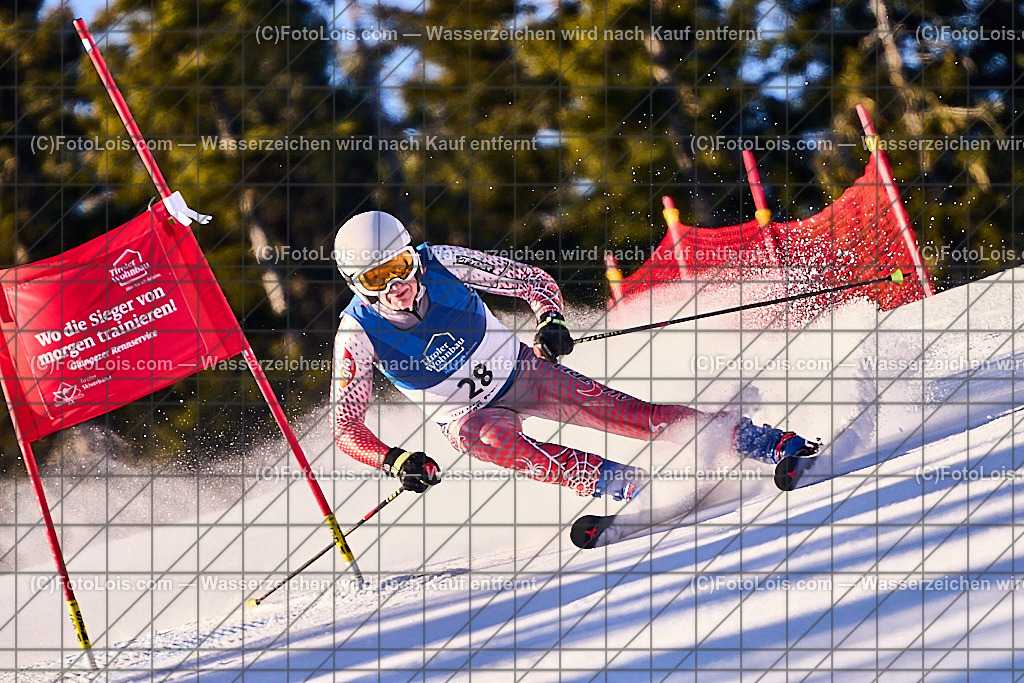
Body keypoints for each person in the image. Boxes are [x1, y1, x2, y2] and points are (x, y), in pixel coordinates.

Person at [330, 211, 816, 500]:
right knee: (501, 445)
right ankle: (626, 485)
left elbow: (530, 281)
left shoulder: (443, 262)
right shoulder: (356, 332)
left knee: (633, 416)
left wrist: (550, 319)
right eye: (377, 279)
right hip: (466, 415)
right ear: (359, 286)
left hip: (522, 371)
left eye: (400, 266)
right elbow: (345, 427)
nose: (396, 285)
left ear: (412, 255)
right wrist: (394, 459)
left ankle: (762, 441)